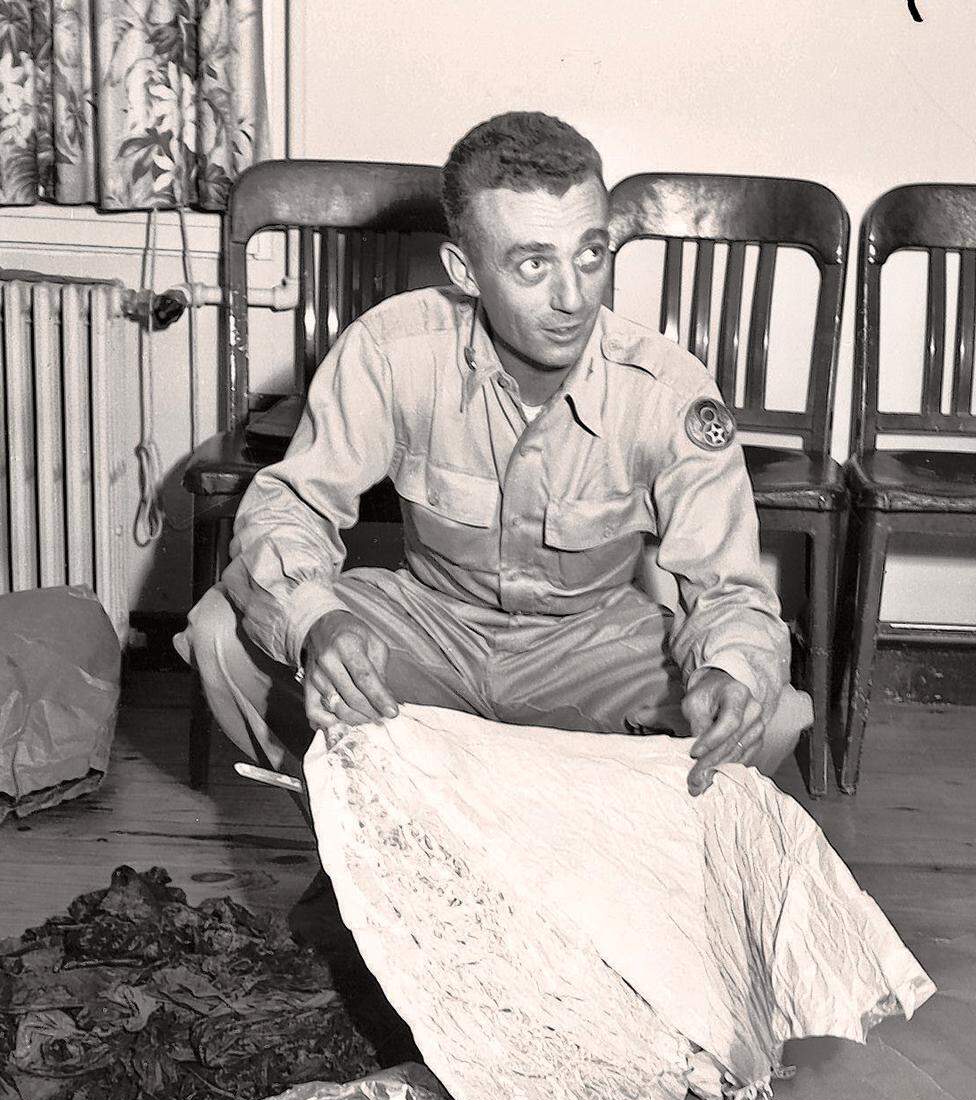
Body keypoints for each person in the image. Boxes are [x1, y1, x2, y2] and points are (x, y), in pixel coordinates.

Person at [178, 112, 810, 797]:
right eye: (533, 264)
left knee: (766, 717)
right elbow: (288, 508)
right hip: (428, 631)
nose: (573, 297)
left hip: (587, 647)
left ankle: (559, 829)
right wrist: (319, 623)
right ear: (466, 271)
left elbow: (730, 587)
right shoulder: (393, 350)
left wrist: (730, 671)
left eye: (590, 254)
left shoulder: (665, 389)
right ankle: (371, 817)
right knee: (221, 634)